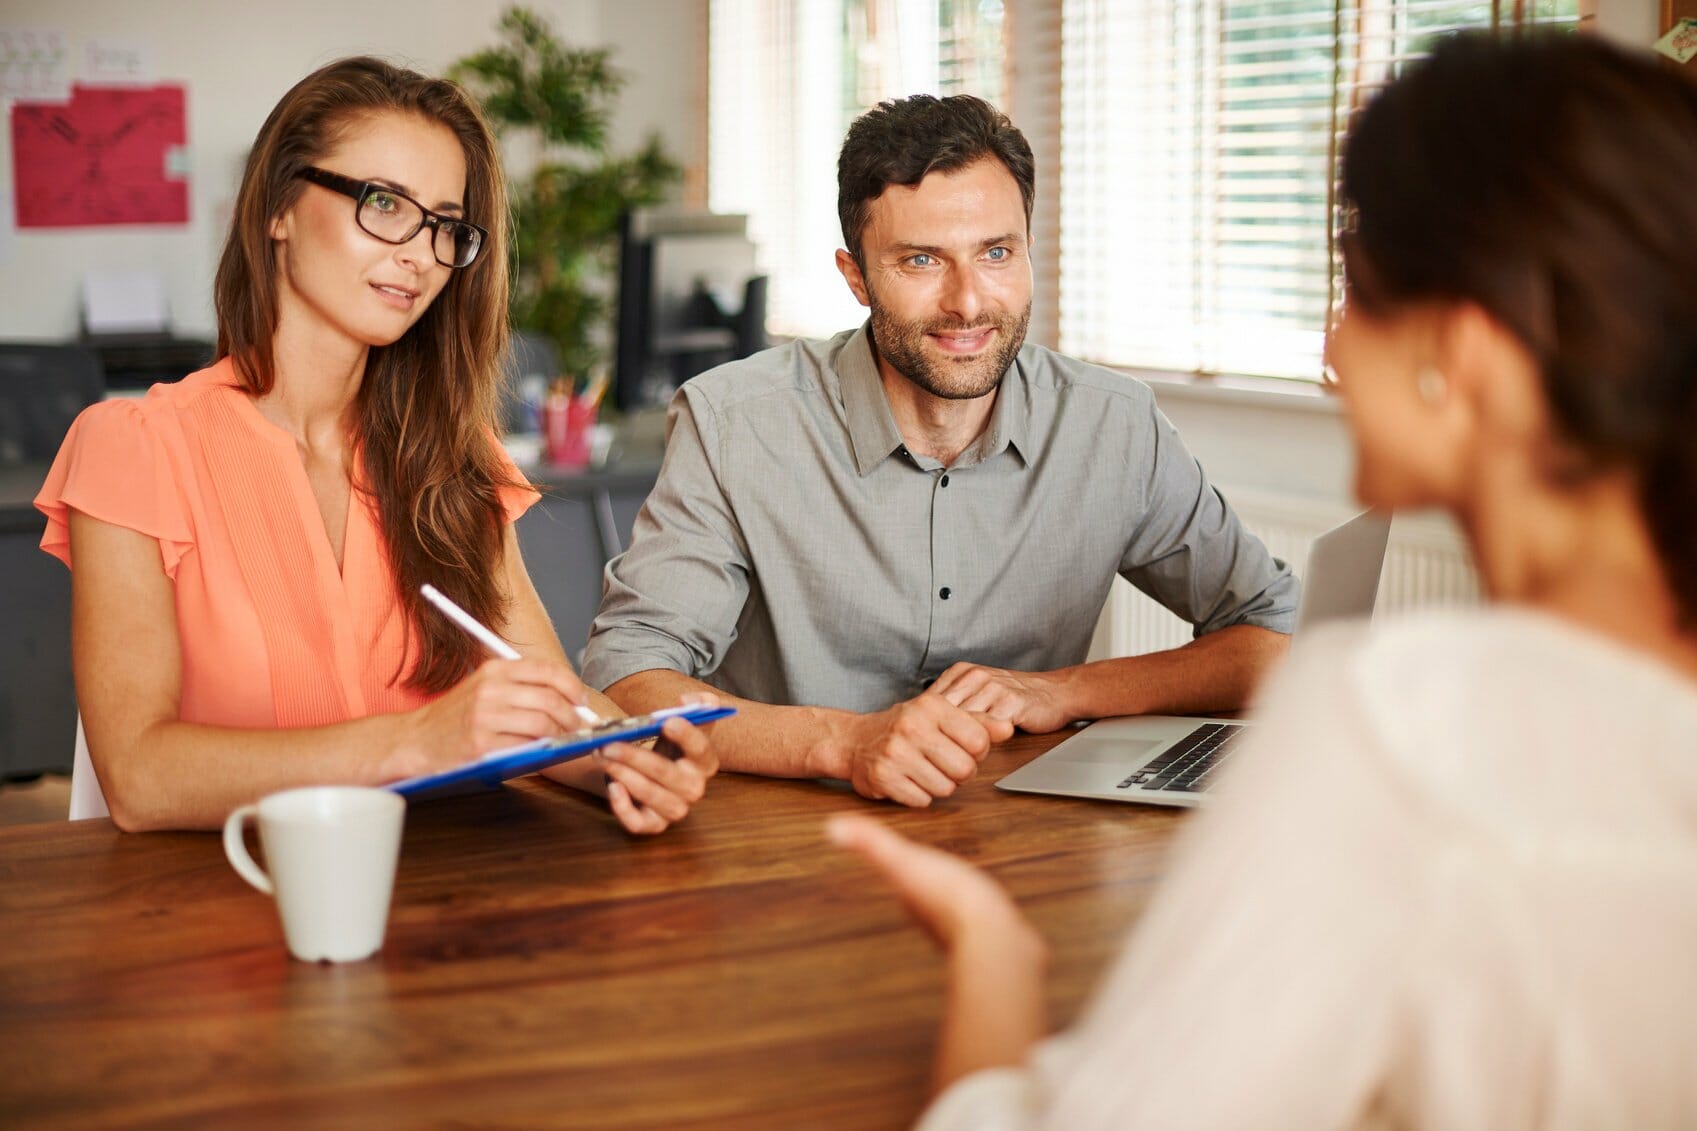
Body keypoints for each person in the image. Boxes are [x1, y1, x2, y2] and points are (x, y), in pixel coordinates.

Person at [830, 32, 1697, 1129]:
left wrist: (993, 958)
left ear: (1461, 359)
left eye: (1358, 300)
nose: (1334, 350)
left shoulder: (1398, 724)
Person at [35, 57, 717, 834]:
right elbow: (140, 777)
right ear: (278, 208)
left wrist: (628, 760)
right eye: (384, 203)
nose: (421, 253)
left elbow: (543, 700)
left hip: (443, 906)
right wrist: (414, 742)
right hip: (219, 912)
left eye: (445, 225)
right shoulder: (135, 447)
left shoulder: (454, 458)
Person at [584, 95, 1298, 807]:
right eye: (921, 260)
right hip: (785, 840)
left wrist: (1060, 690)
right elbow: (627, 676)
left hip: (1023, 841)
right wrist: (838, 741)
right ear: (855, 275)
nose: (967, 301)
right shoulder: (735, 423)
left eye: (995, 253)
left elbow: (1277, 634)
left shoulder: (1111, 424)